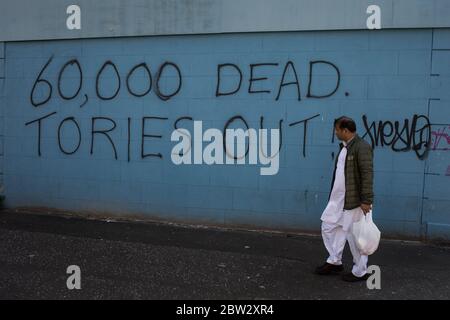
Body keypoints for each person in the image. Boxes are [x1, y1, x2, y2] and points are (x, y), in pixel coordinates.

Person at [315, 116, 374, 282]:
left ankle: (360, 271)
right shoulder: (345, 147)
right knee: (329, 225)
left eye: (337, 129)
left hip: (355, 202)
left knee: (355, 237)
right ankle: (335, 261)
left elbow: (367, 175)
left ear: (345, 130)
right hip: (339, 200)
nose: (335, 132)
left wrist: (366, 200)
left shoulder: (361, 147)